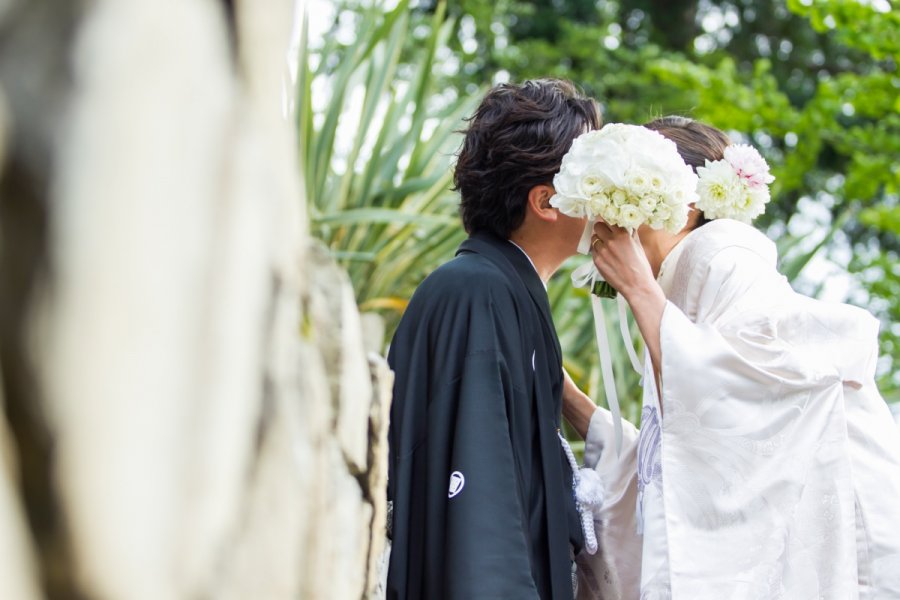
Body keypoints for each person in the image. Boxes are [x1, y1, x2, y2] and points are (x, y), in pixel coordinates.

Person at [564, 116, 900, 599]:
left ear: (684, 208)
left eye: (629, 203)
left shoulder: (725, 260)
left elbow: (739, 409)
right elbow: (671, 467)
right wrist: (565, 393)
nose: (613, 225)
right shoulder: (678, 293)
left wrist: (638, 287)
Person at [386, 79, 602, 599]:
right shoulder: (475, 292)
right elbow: (480, 506)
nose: (607, 194)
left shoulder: (501, 291)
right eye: (594, 173)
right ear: (546, 201)